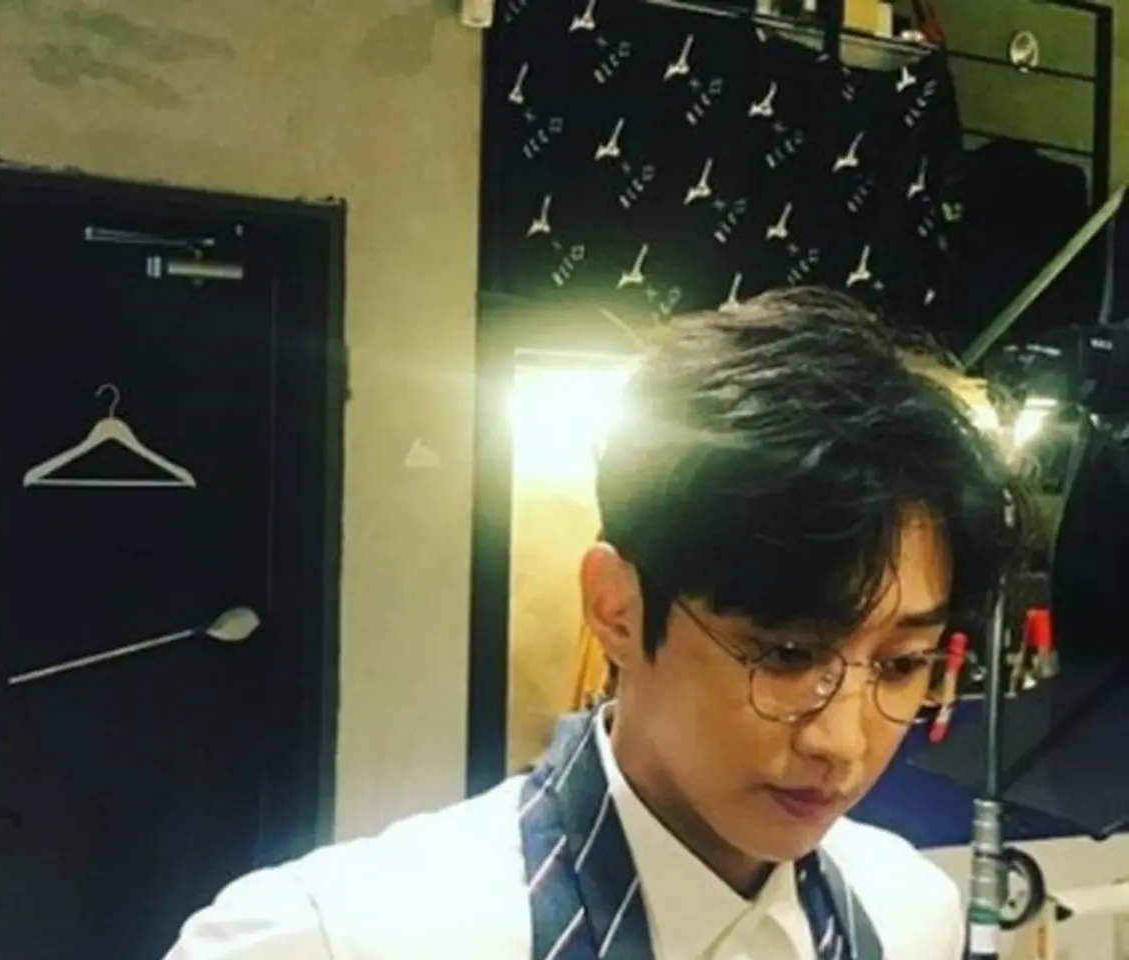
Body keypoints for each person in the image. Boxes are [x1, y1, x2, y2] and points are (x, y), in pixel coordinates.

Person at [165, 288, 1020, 960]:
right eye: (788, 655)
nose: (842, 741)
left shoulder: (905, 913)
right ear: (616, 607)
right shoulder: (335, 940)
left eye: (902, 663)